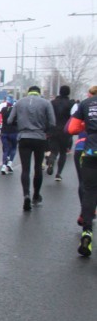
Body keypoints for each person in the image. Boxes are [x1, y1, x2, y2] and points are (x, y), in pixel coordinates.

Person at [8, 86, 55, 211]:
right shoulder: (46, 103)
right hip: (40, 137)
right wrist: (45, 131)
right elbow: (52, 123)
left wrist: (20, 125)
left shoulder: (19, 102)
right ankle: (36, 195)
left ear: (28, 92)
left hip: (24, 137)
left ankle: (26, 195)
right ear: (39, 93)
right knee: (38, 168)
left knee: (25, 169)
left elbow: (9, 120)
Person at [67, 85, 97, 257]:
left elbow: (72, 129)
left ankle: (87, 232)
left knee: (89, 191)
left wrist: (86, 123)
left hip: (91, 150)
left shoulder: (86, 103)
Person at [47, 85, 75, 181]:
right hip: (65, 131)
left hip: (53, 130)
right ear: (68, 92)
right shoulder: (71, 104)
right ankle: (58, 174)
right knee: (63, 152)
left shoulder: (52, 103)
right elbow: (73, 117)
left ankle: (51, 161)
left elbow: (48, 116)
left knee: (54, 151)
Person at [0, 96, 18, 174]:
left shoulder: (3, 109)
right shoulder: (15, 110)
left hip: (4, 131)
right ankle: (10, 163)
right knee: (13, 147)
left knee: (6, 149)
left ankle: (3, 166)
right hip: (13, 131)